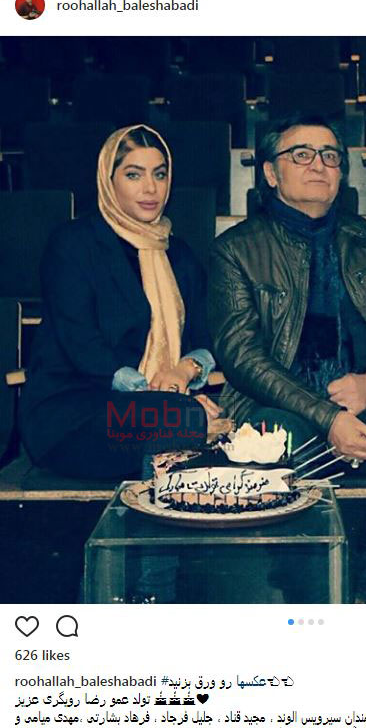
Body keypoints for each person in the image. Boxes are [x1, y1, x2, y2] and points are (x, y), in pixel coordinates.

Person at [207, 113, 366, 603]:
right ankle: (314, 598)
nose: (319, 165)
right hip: (282, 411)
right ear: (270, 173)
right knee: (272, 439)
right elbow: (241, 356)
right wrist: (328, 418)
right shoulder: (235, 250)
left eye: (330, 155)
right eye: (301, 154)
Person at [20, 124, 220, 482]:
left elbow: (205, 336)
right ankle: (176, 459)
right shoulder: (74, 244)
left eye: (160, 174)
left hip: (150, 413)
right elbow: (82, 345)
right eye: (133, 175)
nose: (150, 188)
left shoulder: (179, 254)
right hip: (77, 410)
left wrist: (183, 372)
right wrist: (162, 398)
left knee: (206, 415)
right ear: (108, 180)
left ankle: (171, 462)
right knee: (185, 418)